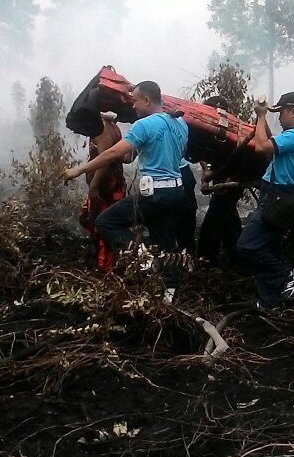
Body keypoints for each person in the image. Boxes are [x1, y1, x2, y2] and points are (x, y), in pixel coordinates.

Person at [63, 81, 189, 301]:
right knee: (166, 243)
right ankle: (169, 297)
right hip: (176, 192)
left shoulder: (145, 125)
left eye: (135, 101)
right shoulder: (181, 125)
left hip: (154, 194)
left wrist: (80, 169)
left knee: (106, 222)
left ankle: (143, 258)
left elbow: (114, 154)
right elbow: (129, 156)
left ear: (148, 100)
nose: (133, 107)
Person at [236, 92, 294, 310]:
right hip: (275, 194)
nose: (279, 118)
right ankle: (270, 301)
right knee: (268, 246)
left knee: (247, 245)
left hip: (278, 196)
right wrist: (263, 120)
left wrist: (261, 117)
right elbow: (269, 143)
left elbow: (261, 147)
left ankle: (287, 274)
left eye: (280, 113)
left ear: (292, 111)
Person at [197, 96, 244, 266]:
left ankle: (206, 257)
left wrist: (229, 179)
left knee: (215, 217)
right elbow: (203, 155)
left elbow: (241, 159)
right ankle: (238, 257)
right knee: (228, 219)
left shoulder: (231, 133)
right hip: (222, 179)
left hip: (232, 180)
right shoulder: (213, 133)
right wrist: (207, 170)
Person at [78, 112, 126, 271]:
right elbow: (123, 156)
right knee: (100, 220)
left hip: (106, 186)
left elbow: (105, 161)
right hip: (113, 183)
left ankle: (105, 266)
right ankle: (108, 263)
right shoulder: (112, 126)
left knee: (101, 223)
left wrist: (93, 187)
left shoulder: (103, 127)